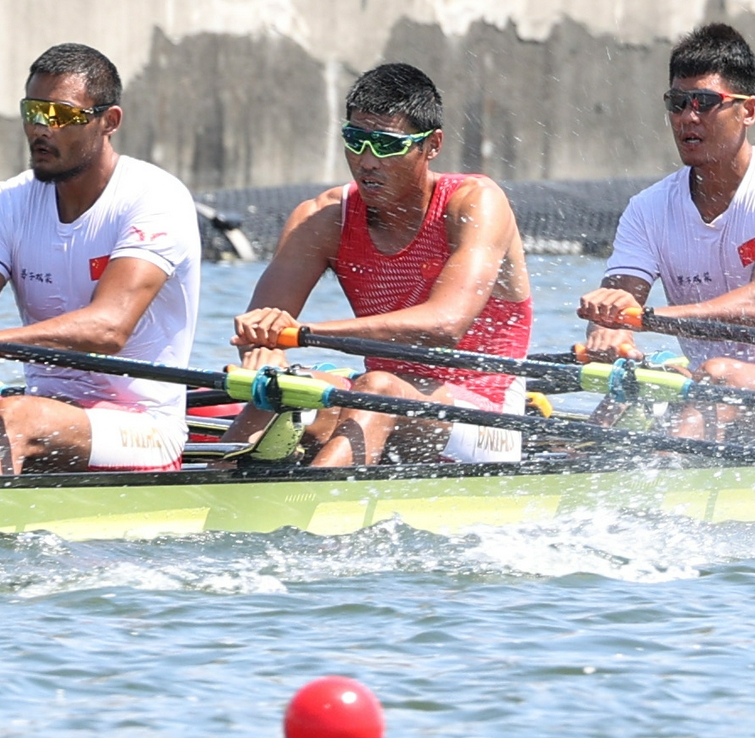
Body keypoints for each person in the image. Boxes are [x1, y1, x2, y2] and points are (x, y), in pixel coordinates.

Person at [0, 43, 201, 476]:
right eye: (32, 112)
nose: (40, 129)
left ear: (109, 121)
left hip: (143, 429)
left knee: (18, 416)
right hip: (42, 411)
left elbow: (108, 329)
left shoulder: (154, 197)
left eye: (61, 116)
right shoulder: (5, 203)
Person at [225, 63, 533, 466]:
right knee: (285, 385)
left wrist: (298, 334)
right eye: (355, 140)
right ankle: (206, 492)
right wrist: (263, 350)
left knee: (378, 388)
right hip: (384, 398)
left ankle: (314, 517)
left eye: (387, 145)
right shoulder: (322, 218)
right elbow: (263, 330)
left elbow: (444, 325)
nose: (367, 161)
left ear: (432, 145)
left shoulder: (475, 203)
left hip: (485, 412)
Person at [577, 22, 755, 449]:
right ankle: (577, 471)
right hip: (706, 396)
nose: (688, 117)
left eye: (706, 103)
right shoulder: (648, 209)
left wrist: (648, 319)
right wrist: (610, 331)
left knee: (720, 375)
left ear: (749, 111)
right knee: (636, 383)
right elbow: (620, 308)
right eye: (677, 102)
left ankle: (671, 504)